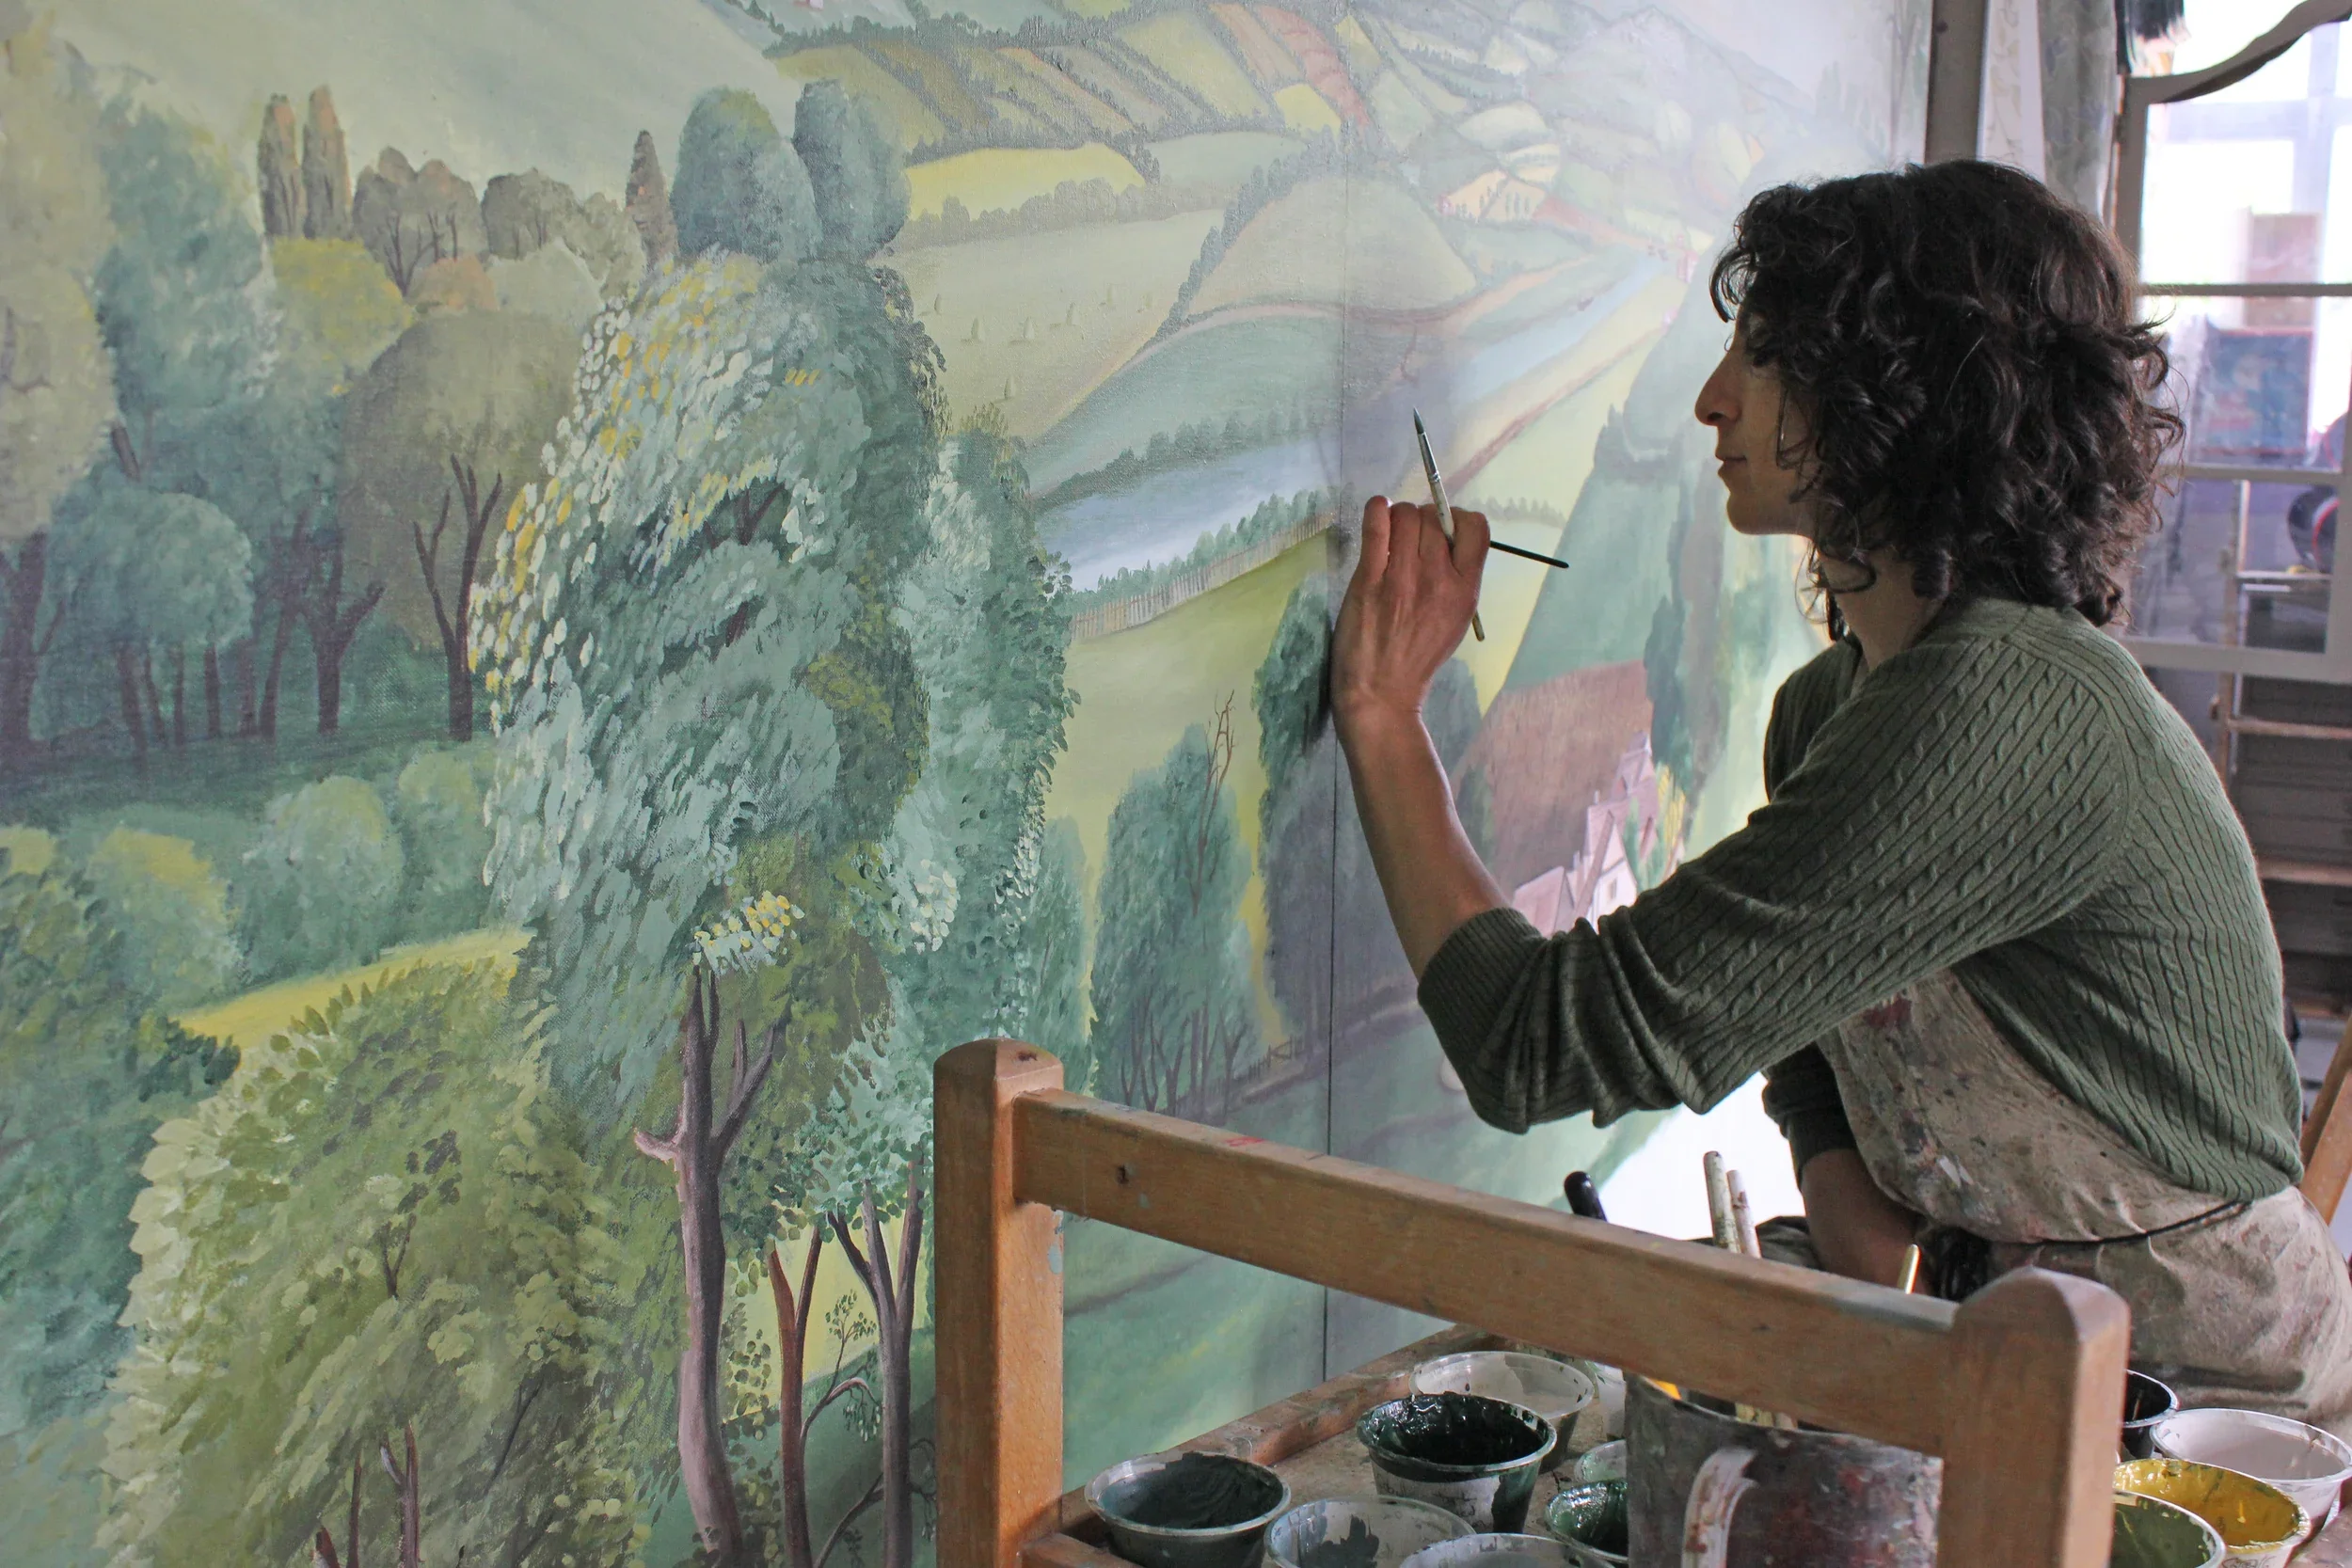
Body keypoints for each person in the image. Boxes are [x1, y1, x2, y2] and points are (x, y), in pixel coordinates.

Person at [1329, 160, 2352, 1435]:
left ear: (1895, 394)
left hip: (2218, 1409)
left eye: (1762, 360)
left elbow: (1542, 1041)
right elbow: (1813, 1020)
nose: (1712, 402)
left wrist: (1379, 721)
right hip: (2014, 1355)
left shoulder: (2011, 707)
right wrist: (1844, 1198)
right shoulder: (1831, 707)